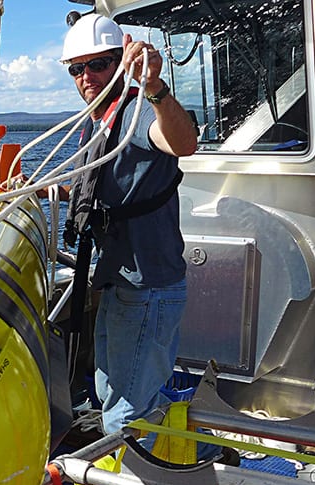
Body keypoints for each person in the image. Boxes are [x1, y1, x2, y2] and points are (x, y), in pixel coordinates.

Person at [57, 14, 199, 436]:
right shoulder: (97, 121)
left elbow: (182, 143)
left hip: (147, 286)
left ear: (121, 61)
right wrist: (47, 191)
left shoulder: (137, 111)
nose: (87, 76)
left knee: (125, 416)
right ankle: (197, 453)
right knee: (112, 395)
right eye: (77, 68)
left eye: (99, 64)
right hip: (121, 282)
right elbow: (105, 190)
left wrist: (155, 87)